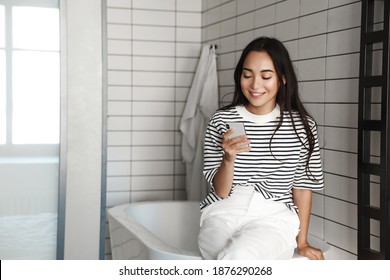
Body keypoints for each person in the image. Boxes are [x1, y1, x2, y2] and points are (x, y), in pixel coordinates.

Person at [198, 36, 325, 260]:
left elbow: (303, 186)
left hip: (273, 215)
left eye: (266, 76)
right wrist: (228, 159)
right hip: (222, 212)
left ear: (283, 78)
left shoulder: (301, 126)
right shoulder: (222, 120)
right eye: (248, 75)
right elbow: (221, 191)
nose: (255, 85)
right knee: (223, 253)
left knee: (238, 256)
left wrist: (302, 242)